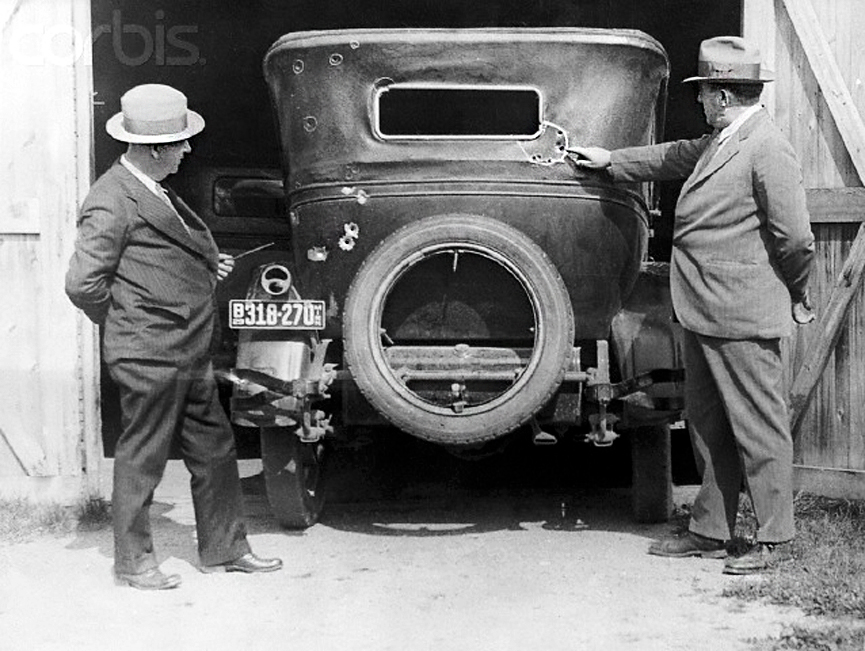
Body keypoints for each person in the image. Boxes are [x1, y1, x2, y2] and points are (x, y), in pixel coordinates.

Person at [570, 36, 815, 575]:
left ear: (723, 96)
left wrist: (797, 293)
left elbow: (796, 239)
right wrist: (612, 160)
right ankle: (711, 529)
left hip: (744, 314)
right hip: (704, 309)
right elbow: (674, 155)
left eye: (704, 92)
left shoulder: (767, 148)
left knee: (758, 426)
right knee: (707, 427)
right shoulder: (723, 140)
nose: (699, 102)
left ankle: (775, 539)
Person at [66, 84, 282, 590]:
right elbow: (82, 284)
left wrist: (205, 264)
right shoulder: (111, 199)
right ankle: (135, 563)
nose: (188, 151)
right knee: (142, 459)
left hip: (187, 349)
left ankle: (226, 549)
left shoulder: (151, 188)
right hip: (150, 352)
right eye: (182, 142)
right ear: (156, 148)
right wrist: (130, 322)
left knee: (215, 449)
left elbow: (159, 256)